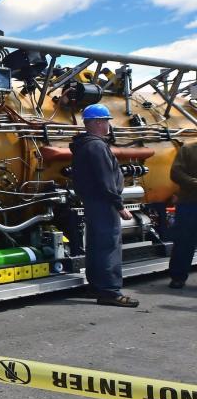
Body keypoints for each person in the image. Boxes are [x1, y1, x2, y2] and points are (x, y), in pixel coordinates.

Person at [69, 104, 138, 307]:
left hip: (93, 202)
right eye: (107, 120)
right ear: (99, 122)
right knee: (109, 246)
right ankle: (110, 291)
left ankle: (96, 286)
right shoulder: (97, 146)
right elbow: (105, 179)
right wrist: (119, 205)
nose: (109, 125)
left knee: (96, 245)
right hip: (104, 203)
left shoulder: (84, 145)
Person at [167, 141, 197, 288]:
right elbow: (175, 173)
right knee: (184, 242)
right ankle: (178, 277)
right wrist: (194, 182)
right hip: (190, 203)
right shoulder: (188, 149)